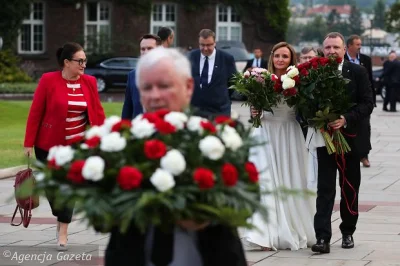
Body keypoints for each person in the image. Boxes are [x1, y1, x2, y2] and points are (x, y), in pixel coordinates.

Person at [105, 47, 247, 266]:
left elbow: (243, 204)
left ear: (188, 86)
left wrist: (206, 216)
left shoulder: (218, 137)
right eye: (146, 88)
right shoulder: (123, 143)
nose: (155, 96)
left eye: (164, 86)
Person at [23, 42, 106, 251]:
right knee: (53, 189)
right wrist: (28, 143)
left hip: (76, 146)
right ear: (67, 62)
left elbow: (97, 111)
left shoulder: (90, 82)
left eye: (85, 60)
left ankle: (63, 231)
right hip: (48, 145)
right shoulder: (48, 80)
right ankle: (61, 216)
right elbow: (35, 112)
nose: (84, 64)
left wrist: (103, 137)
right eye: (80, 61)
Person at [241, 42, 316, 251]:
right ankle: (263, 234)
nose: (280, 60)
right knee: (264, 182)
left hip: (289, 134)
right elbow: (255, 107)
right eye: (277, 56)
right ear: (272, 58)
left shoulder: (297, 79)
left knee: (290, 180)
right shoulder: (261, 78)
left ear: (291, 59)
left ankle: (289, 227)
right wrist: (254, 112)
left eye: (285, 56)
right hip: (265, 132)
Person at [312, 32, 373, 254]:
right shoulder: (315, 72)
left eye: (336, 47)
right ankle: (322, 237)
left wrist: (346, 118)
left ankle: (347, 231)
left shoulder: (357, 71)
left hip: (350, 139)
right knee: (325, 189)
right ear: (323, 49)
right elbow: (306, 103)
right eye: (327, 48)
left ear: (344, 50)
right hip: (325, 139)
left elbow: (368, 103)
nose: (331, 51)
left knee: (349, 187)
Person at [188, 29, 237, 118]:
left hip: (220, 111)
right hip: (195, 111)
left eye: (209, 45)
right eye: (202, 45)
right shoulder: (191, 57)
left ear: (215, 43)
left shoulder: (226, 59)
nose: (205, 48)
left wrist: (221, 97)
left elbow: (233, 83)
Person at [344, 35, 373, 168]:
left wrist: (370, 98)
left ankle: (364, 155)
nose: (359, 47)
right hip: (347, 100)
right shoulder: (342, 60)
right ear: (349, 46)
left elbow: (370, 80)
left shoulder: (365, 60)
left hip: (362, 101)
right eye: (357, 44)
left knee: (365, 127)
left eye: (360, 44)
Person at [121, 34, 161, 120]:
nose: (145, 52)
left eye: (150, 48)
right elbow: (128, 106)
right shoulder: (132, 75)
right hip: (138, 128)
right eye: (143, 49)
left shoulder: (169, 74)